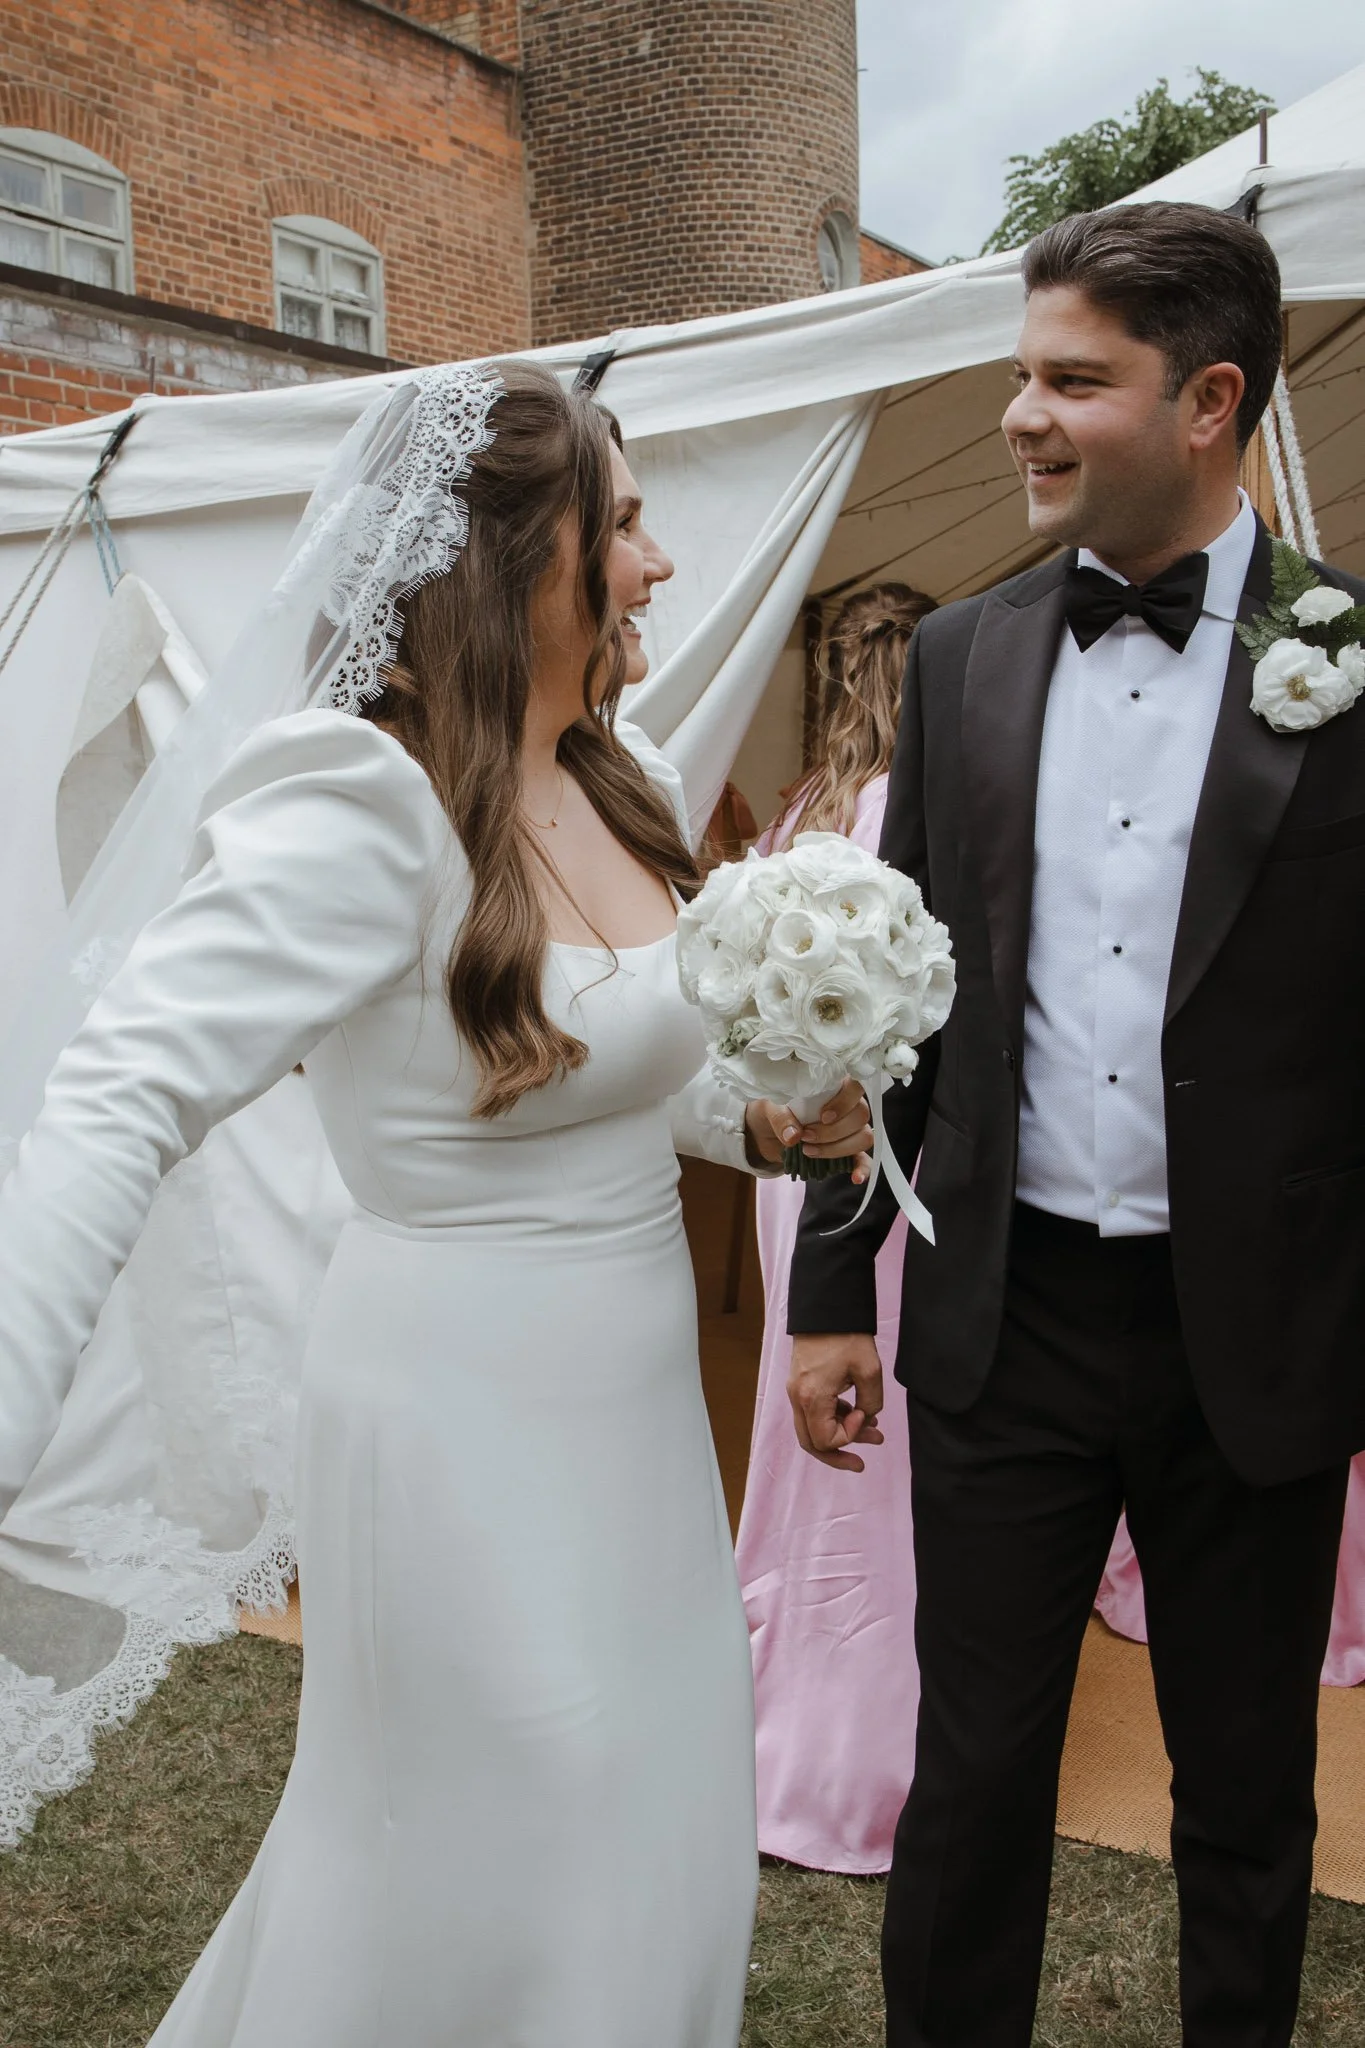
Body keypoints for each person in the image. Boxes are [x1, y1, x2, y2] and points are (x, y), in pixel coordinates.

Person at [0, 358, 873, 2046]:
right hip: (460, 1417)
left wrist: (757, 1119)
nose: (656, 567)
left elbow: (599, 1050)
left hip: (630, 1422)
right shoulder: (359, 802)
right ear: (511, 555)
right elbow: (118, 1096)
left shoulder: (619, 776)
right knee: (516, 1850)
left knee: (657, 1825)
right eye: (623, 526)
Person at [786, 202, 1365, 2048]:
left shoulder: (1347, 660)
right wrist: (824, 1288)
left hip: (1257, 1338)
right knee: (969, 1792)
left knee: (1251, 1806)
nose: (1019, 419)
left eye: (1067, 382)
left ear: (1208, 401)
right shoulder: (959, 658)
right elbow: (896, 1013)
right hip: (1004, 1325)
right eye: (1018, 376)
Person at [735, 583, 937, 1874]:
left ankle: (783, 1675)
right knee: (883, 1439)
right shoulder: (901, 812)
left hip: (780, 1160)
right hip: (866, 1157)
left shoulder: (799, 814)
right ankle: (857, 1745)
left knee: (794, 1409)